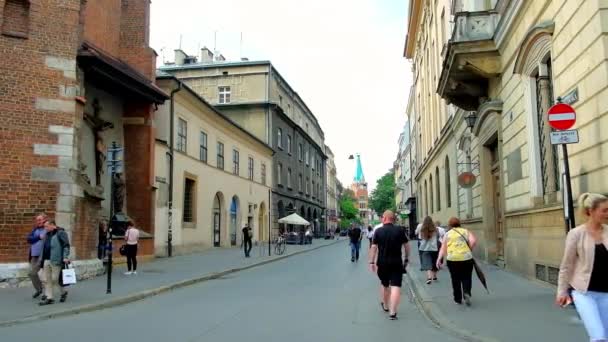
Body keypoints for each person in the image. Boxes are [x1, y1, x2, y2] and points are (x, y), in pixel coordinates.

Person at [557, 193, 608, 341]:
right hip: (584, 293)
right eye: (604, 210)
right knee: (598, 336)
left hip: (606, 293)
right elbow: (567, 265)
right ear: (590, 211)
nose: (607, 214)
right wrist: (562, 291)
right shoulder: (576, 234)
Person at [369, 210, 410, 320]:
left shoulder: (378, 231)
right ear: (393, 219)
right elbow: (406, 246)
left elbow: (373, 247)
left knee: (385, 284)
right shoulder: (400, 230)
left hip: (382, 263)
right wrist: (406, 258)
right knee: (396, 286)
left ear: (385, 218)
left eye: (382, 217)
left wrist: (371, 262)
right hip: (396, 262)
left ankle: (386, 305)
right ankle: (393, 312)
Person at [437, 217, 477, 306]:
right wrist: (469, 249)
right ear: (459, 223)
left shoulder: (447, 234)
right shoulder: (465, 231)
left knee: (455, 279)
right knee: (467, 277)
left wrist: (439, 259)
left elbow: (443, 248)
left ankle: (457, 299)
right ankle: (466, 292)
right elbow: (473, 241)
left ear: (450, 225)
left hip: (452, 259)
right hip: (466, 258)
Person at [39, 220, 70, 305]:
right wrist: (42, 261)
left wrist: (65, 257)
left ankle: (63, 292)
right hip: (46, 260)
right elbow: (44, 248)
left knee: (55, 279)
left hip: (56, 260)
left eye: (46, 226)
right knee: (47, 279)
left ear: (52, 225)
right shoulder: (47, 234)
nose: (45, 228)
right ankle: (49, 298)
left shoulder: (60, 233)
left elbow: (66, 245)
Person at [27, 213, 47, 299]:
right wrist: (38, 237)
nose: (38, 221)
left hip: (43, 255)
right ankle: (39, 289)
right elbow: (29, 239)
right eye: (37, 220)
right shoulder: (35, 230)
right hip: (34, 256)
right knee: (31, 273)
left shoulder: (47, 229)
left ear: (44, 220)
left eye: (39, 220)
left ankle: (47, 293)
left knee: (46, 275)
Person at [419, 216, 440, 284]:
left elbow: (421, 238)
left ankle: (429, 278)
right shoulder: (435, 229)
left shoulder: (422, 229)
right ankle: (434, 276)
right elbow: (438, 237)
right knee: (434, 262)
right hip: (434, 248)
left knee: (427, 263)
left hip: (425, 248)